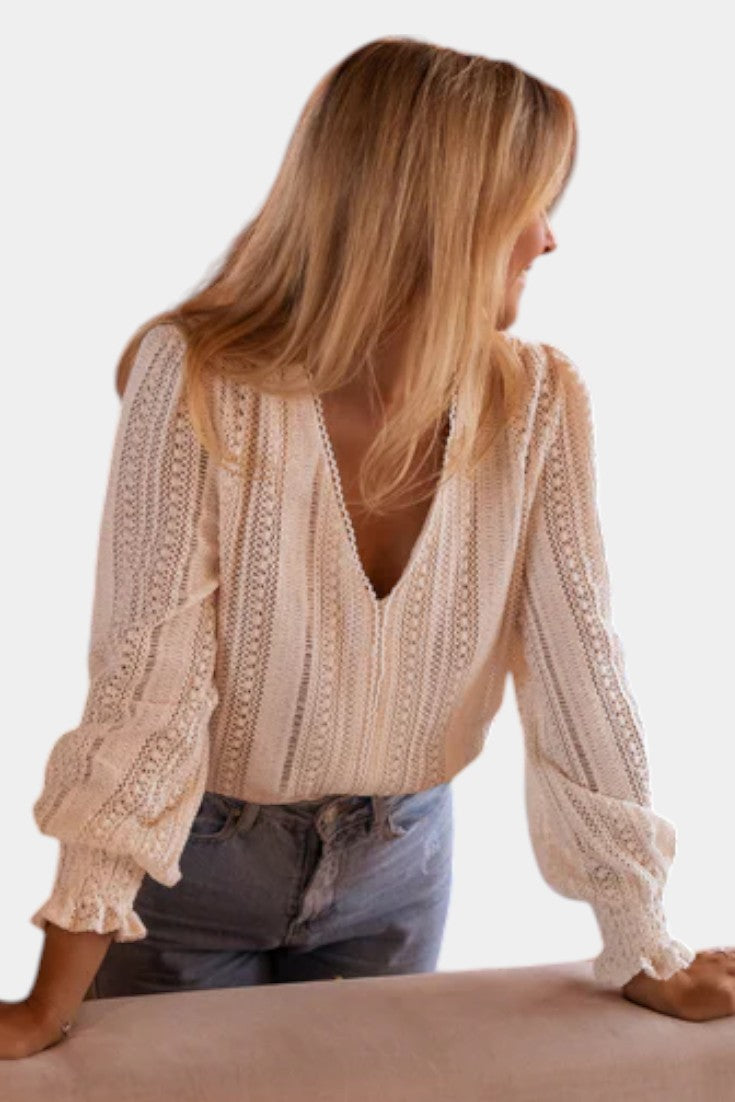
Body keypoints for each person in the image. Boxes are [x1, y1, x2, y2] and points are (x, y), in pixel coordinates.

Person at [3, 35, 734, 1062]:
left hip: (402, 860)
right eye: (528, 203)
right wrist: (48, 1002)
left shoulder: (539, 401)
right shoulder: (199, 379)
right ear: (441, 215)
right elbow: (148, 688)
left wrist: (642, 943)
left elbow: (582, 677)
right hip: (194, 867)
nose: (548, 238)